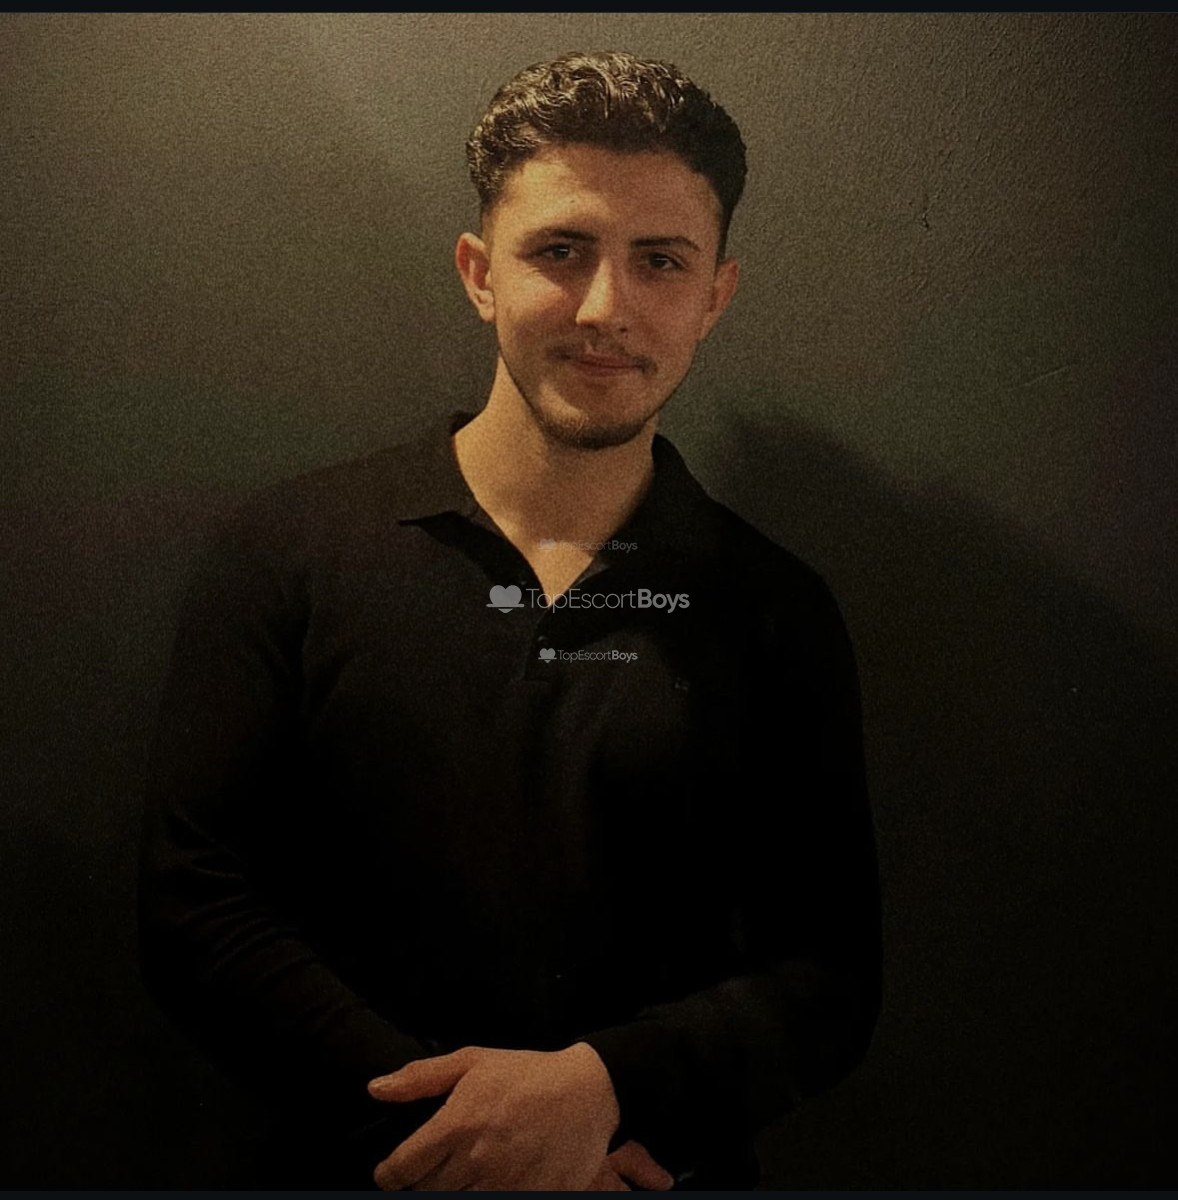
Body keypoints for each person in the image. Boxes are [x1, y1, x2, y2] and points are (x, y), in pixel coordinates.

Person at [139, 50, 881, 1191]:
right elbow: (196, 906)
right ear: (479, 273)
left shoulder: (774, 608)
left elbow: (829, 974)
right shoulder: (290, 552)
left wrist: (608, 1094)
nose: (605, 307)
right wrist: (471, 1145)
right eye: (560, 251)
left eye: (659, 261)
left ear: (715, 294)